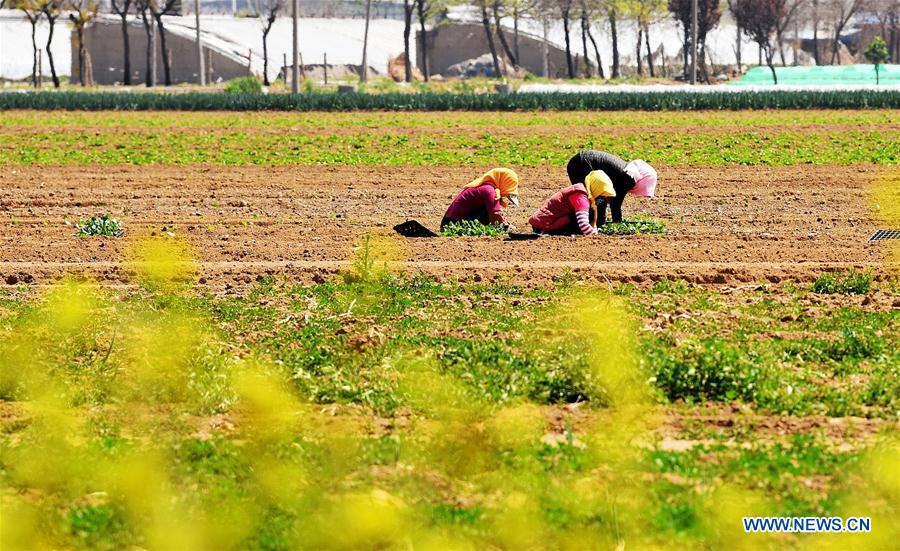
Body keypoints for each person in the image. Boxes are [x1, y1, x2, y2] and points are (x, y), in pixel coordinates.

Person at [565, 150, 657, 225]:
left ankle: (585, 222)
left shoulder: (628, 172)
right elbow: (615, 202)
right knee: (596, 198)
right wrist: (617, 223)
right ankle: (588, 223)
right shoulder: (629, 178)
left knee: (589, 198)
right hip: (582, 164)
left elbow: (613, 197)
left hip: (578, 162)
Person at [528, 170, 616, 236]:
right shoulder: (581, 197)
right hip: (543, 224)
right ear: (596, 189)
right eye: (602, 195)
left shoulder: (583, 191)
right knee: (585, 216)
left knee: (590, 213)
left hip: (542, 222)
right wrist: (595, 237)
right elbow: (583, 223)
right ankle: (550, 232)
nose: (603, 199)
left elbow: (593, 223)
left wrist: (594, 232)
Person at [441, 168, 520, 230]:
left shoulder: (484, 187)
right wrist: (506, 226)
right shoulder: (489, 191)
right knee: (488, 210)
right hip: (455, 225)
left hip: (447, 223)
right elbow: (495, 216)